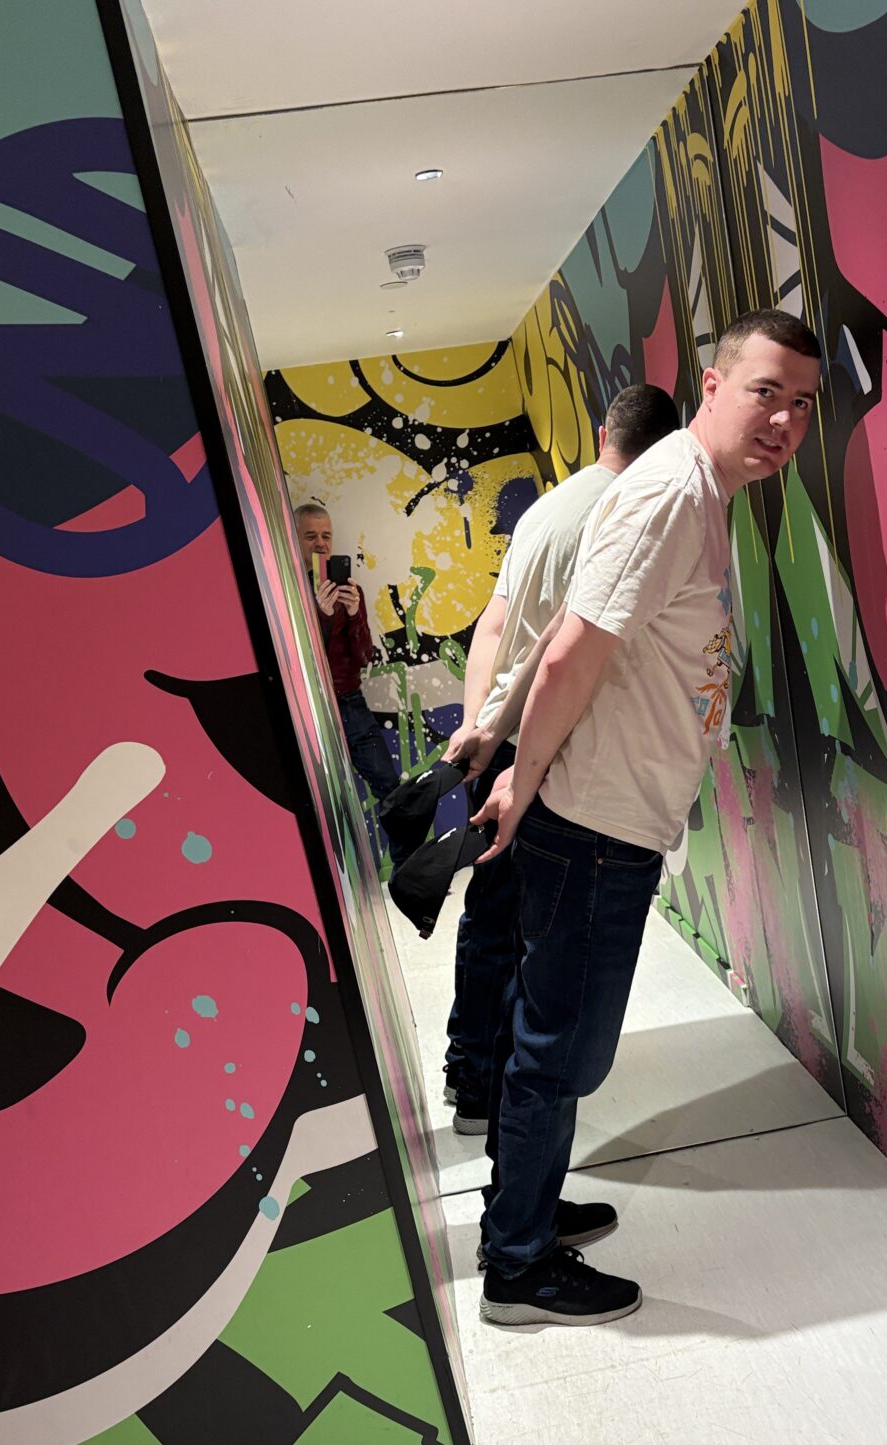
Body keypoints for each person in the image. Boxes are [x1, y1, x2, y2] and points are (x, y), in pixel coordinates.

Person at [470, 310, 822, 1327]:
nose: (784, 422)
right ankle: (517, 1267)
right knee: (561, 1054)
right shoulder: (673, 493)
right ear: (712, 385)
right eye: (765, 392)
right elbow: (573, 649)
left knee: (552, 1044)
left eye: (802, 405)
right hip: (594, 826)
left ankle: (522, 1214)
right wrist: (522, 775)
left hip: (610, 818)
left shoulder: (697, 490)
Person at [439, 383, 681, 1137]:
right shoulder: (632, 515)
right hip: (551, 748)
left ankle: (471, 1078)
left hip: (500, 737)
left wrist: (478, 724)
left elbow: (493, 625)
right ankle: (512, 1104)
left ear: (605, 431)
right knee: (541, 942)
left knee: (490, 917)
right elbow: (567, 660)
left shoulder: (545, 509)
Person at [294, 502, 399, 816]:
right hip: (306, 705)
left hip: (349, 700)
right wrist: (320, 615)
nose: (320, 543)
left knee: (391, 790)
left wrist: (353, 614)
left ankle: (406, 848)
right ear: (294, 538)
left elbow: (364, 656)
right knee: (320, 798)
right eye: (310, 536)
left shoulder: (350, 591)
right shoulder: (287, 591)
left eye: (326, 535)